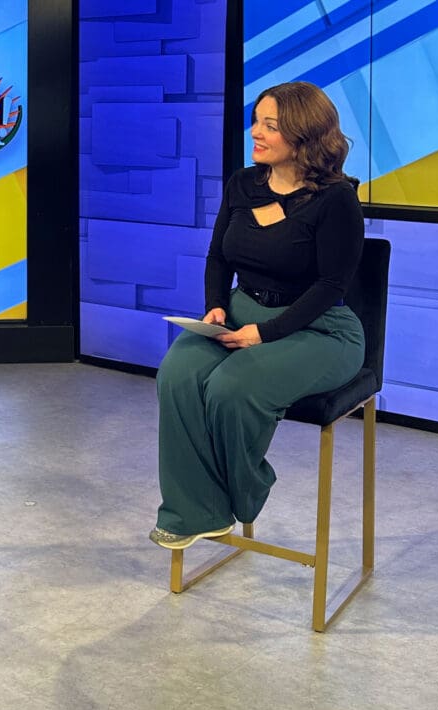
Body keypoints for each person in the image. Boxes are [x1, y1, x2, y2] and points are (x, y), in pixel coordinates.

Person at [150, 81, 366, 549]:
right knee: (177, 374)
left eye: (271, 125)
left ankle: (245, 491)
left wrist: (263, 334)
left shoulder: (336, 200)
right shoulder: (243, 183)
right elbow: (218, 258)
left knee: (233, 387)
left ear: (304, 135)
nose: (256, 132)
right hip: (241, 308)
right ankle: (193, 512)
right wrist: (215, 305)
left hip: (322, 328)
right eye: (257, 121)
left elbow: (332, 286)